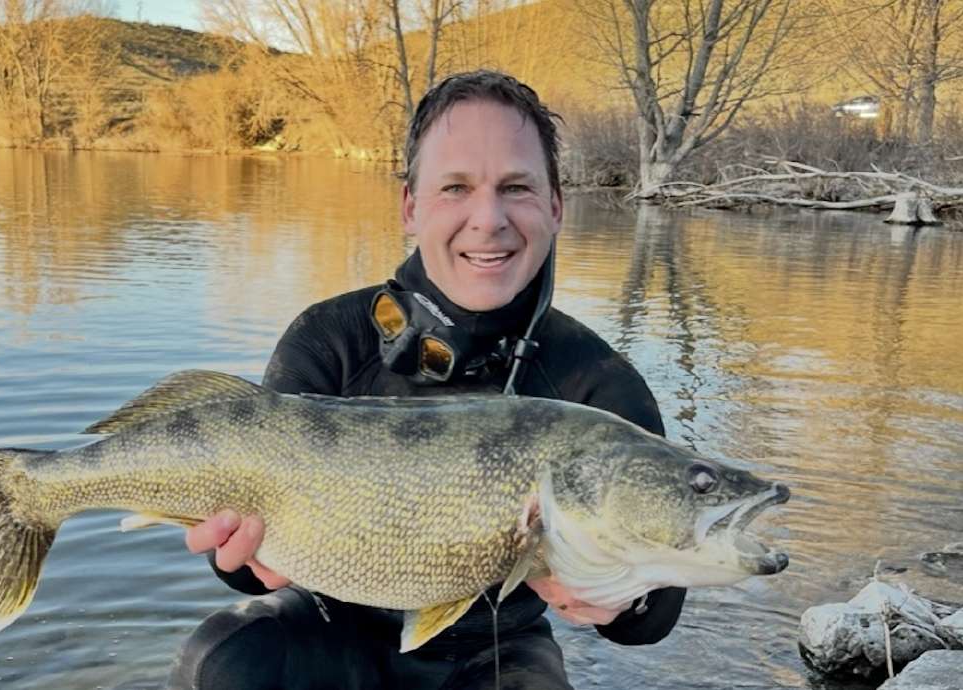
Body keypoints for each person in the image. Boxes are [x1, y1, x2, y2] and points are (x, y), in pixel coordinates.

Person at [169, 70, 686, 690]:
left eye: (516, 187)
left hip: (499, 646)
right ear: (410, 207)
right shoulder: (329, 339)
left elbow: (654, 615)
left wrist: (622, 600)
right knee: (225, 657)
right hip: (330, 621)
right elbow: (247, 553)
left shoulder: (596, 383)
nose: (487, 218)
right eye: (456, 187)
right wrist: (245, 562)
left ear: (555, 206)